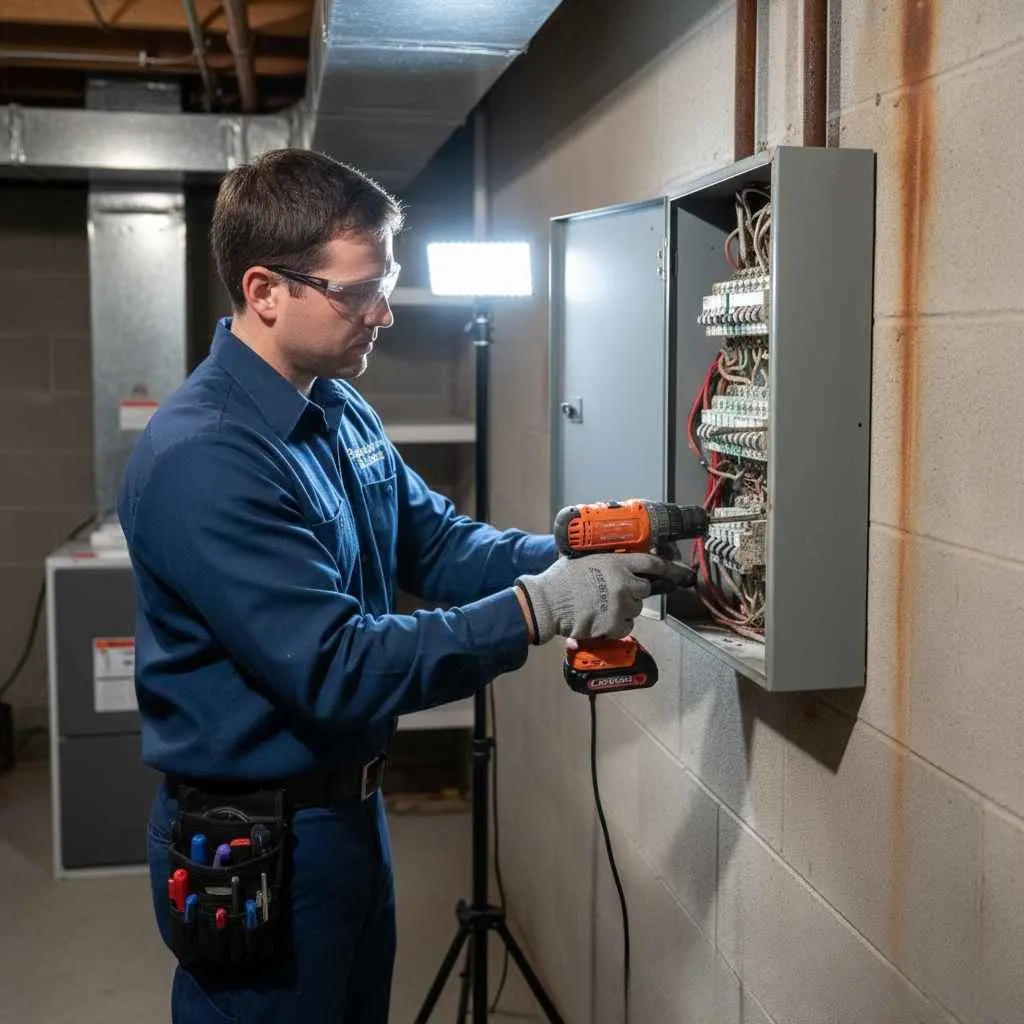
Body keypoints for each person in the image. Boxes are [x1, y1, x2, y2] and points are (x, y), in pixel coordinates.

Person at [116, 148, 687, 1024]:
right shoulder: (207, 457)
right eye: (359, 291)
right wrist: (545, 607)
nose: (383, 312)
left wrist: (588, 550)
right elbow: (339, 666)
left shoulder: (336, 407)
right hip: (258, 838)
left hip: (348, 818)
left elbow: (439, 544)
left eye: (387, 282)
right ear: (265, 290)